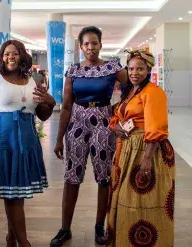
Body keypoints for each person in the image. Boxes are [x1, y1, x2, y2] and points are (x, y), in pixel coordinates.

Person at [0, 40, 56, 247]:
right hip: (0, 144)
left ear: (22, 57)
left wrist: (50, 102)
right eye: (7, 53)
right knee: (13, 196)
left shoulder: (32, 81)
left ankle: (12, 238)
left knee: (16, 193)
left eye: (16, 53)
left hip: (25, 144)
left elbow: (43, 115)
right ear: (2, 57)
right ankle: (23, 242)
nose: (11, 57)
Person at [51, 26, 127, 247]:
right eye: (86, 44)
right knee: (71, 177)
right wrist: (58, 138)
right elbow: (65, 107)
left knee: (104, 177)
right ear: (81, 46)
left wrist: (119, 109)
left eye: (94, 43)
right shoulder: (73, 71)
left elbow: (132, 85)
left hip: (104, 124)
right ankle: (65, 228)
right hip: (76, 124)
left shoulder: (112, 67)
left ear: (101, 45)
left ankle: (99, 226)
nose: (90, 48)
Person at [106, 50, 175, 246]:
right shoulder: (131, 91)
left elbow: (155, 126)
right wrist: (115, 125)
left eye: (140, 69)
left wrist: (146, 159)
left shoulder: (154, 92)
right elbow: (118, 113)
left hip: (147, 150)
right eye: (131, 68)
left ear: (149, 70)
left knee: (143, 201)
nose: (135, 72)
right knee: (126, 198)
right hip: (127, 148)